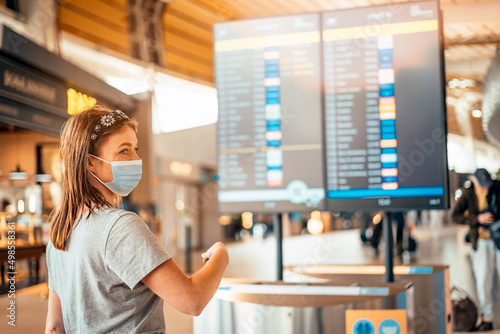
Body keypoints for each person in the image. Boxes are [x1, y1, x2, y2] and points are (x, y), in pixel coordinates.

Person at [45, 104, 229, 334]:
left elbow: (54, 327)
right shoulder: (120, 227)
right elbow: (192, 300)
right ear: (89, 162)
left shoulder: (59, 235)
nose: (136, 159)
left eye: (135, 148)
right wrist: (221, 255)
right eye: (124, 151)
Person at [452, 168, 500, 331]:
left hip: (499, 239)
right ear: (474, 180)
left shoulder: (497, 188)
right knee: (483, 281)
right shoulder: (468, 193)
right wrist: (477, 219)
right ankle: (487, 317)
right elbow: (455, 216)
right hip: (481, 242)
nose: (485, 187)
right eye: (482, 184)